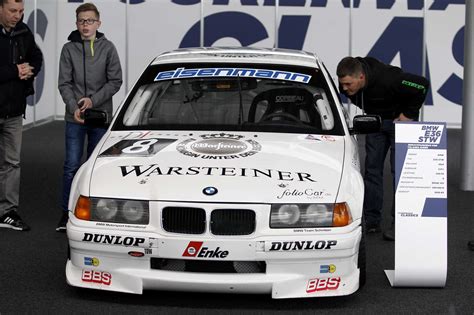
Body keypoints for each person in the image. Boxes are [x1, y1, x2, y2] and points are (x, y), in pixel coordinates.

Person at [337, 56, 429, 241]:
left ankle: (400, 223)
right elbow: (352, 95)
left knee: (401, 174)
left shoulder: (389, 79)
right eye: (342, 84)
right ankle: (371, 221)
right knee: (372, 171)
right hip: (376, 122)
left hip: (400, 122)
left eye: (348, 84)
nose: (344, 89)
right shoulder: (346, 85)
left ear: (361, 77)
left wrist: (408, 113)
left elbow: (422, 85)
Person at [56, 2, 122, 232]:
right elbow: (64, 83)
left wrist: (92, 100)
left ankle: (97, 214)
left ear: (98, 23)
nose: (86, 25)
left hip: (100, 116)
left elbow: (115, 81)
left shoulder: (108, 48)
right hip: (74, 116)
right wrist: (74, 105)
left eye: (90, 21)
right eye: (82, 21)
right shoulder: (68, 49)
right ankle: (65, 214)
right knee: (71, 166)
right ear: (76, 23)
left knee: (98, 167)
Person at [0, 0, 43, 231]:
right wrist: (15, 71)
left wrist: (30, 69)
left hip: (14, 112)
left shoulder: (23, 31)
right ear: (0, 8)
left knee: (12, 163)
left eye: (21, 11)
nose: (17, 16)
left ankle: (7, 212)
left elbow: (36, 57)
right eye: (13, 11)